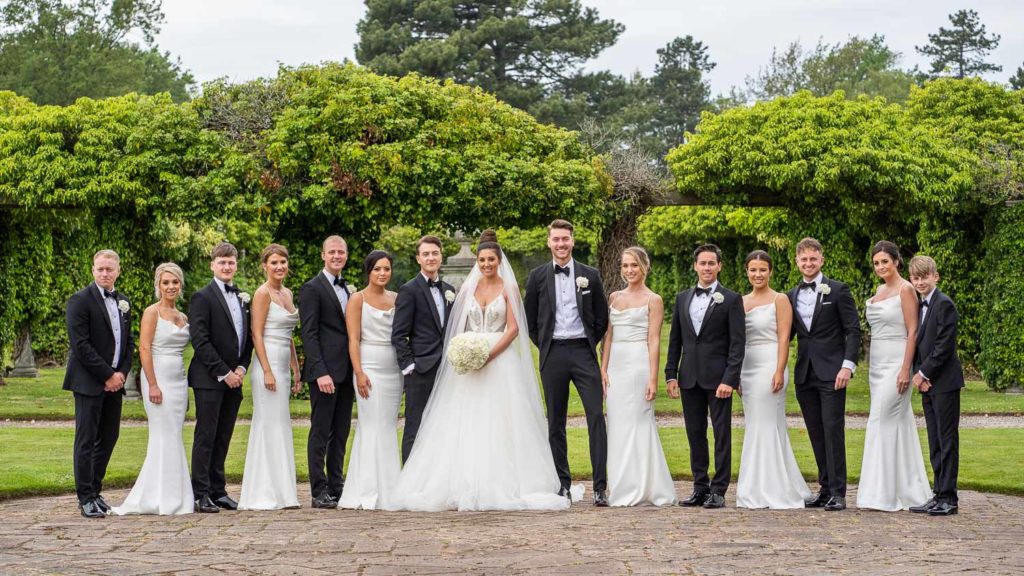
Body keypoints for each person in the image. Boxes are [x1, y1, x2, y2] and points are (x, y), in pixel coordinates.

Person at [387, 231, 569, 511]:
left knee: (502, 422)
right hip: (472, 363)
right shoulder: (466, 290)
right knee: (465, 420)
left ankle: (505, 480)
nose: (486, 264)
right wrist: (466, 353)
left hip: (500, 361)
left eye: (491, 259)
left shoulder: (509, 289)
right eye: (482, 259)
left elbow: (514, 329)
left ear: (499, 260)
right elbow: (458, 327)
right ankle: (462, 480)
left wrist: (488, 354)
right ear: (477, 261)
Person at [524, 219, 610, 506]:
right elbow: (530, 320)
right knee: (555, 422)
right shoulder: (536, 277)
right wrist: (546, 345)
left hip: (584, 352)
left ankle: (600, 487)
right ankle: (563, 484)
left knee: (596, 416)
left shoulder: (590, 275)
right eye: (556, 239)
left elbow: (601, 318)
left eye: (565, 239)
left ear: (573, 241)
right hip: (553, 354)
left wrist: (589, 342)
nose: (561, 244)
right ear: (549, 242)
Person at [665, 244, 745, 509]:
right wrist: (670, 374)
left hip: (718, 379)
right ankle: (700, 487)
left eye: (712, 263)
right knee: (694, 433)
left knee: (721, 433)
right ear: (695, 266)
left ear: (719, 266)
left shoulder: (732, 299)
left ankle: (719, 489)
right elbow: (675, 339)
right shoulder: (682, 298)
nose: (707, 268)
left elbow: (737, 344)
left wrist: (730, 379)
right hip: (689, 377)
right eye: (703, 263)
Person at [112, 263, 193, 516]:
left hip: (179, 381)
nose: (170, 286)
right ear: (158, 285)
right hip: (158, 379)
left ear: (180, 285)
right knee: (163, 435)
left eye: (175, 282)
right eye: (165, 282)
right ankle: (158, 497)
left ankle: (176, 495)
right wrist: (153, 384)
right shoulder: (152, 313)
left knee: (175, 434)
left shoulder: (183, 317)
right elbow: (144, 348)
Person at [857, 241, 931, 511]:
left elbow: (913, 331)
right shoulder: (878, 290)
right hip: (876, 363)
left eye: (885, 262)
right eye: (876, 263)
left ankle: (887, 493)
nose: (880, 267)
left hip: (897, 361)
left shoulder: (906, 289)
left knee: (883, 419)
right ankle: (894, 488)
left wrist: (905, 368)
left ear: (897, 262)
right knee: (887, 422)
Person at [788, 237, 860, 511]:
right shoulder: (791, 295)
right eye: (804, 259)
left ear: (821, 260)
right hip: (804, 373)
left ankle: (839, 492)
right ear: (797, 262)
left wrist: (847, 366)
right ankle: (825, 487)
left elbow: (852, 330)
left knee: (833, 430)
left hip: (833, 373)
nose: (808, 263)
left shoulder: (838, 290)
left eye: (813, 259)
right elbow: (786, 335)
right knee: (816, 432)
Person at [735, 251, 810, 509]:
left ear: (770, 272)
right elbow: (735, 341)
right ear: (747, 272)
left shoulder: (780, 300)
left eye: (762, 270)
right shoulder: (740, 302)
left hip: (770, 364)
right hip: (747, 366)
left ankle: (773, 487)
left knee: (767, 424)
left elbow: (783, 338)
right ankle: (756, 484)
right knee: (755, 424)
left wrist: (779, 370)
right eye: (753, 270)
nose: (758, 274)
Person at [601, 247, 676, 507]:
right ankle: (621, 485)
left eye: (634, 265)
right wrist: (603, 368)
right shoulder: (613, 297)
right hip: (616, 367)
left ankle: (645, 485)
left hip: (638, 364)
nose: (629, 270)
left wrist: (653, 378)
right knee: (618, 424)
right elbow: (608, 336)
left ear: (644, 267)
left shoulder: (653, 299)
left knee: (639, 423)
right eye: (625, 266)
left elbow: (654, 340)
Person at [64, 249, 133, 518]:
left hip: (115, 382)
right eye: (100, 269)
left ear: (118, 271)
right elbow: (81, 345)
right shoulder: (79, 301)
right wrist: (107, 374)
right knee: (86, 439)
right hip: (89, 383)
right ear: (93, 270)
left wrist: (122, 374)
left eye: (110, 269)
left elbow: (127, 343)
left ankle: (96, 489)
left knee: (109, 436)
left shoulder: (123, 302)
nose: (105, 273)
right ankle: (85, 497)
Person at [188, 242, 253, 513]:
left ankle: (218, 490)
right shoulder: (202, 297)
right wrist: (224, 373)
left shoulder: (242, 298)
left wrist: (241, 369)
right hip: (209, 379)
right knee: (206, 435)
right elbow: (200, 341)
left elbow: (247, 338)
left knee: (224, 435)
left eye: (231, 262)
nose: (227, 267)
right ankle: (200, 493)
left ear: (236, 265)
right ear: (212, 265)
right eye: (222, 262)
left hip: (234, 378)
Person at [238, 244, 302, 510]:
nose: (279, 267)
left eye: (283, 262)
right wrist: (266, 370)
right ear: (264, 265)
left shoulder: (287, 292)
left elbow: (288, 337)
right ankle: (264, 491)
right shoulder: (262, 294)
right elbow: (257, 334)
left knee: (281, 424)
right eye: (274, 262)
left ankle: (284, 491)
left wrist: (296, 368)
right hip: (267, 363)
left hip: (283, 364)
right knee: (267, 424)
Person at [339, 251, 402, 510]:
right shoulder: (357, 299)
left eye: (386, 269)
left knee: (387, 426)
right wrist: (359, 372)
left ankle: (390, 489)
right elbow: (353, 339)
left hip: (393, 368)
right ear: (369, 271)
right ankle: (366, 491)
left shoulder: (397, 298)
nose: (382, 273)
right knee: (371, 425)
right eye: (377, 269)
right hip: (369, 366)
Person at [299, 236, 356, 509]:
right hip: (324, 372)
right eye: (332, 252)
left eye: (341, 252)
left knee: (341, 431)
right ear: (323, 255)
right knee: (320, 431)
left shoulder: (349, 288)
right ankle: (318, 490)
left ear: (346, 255)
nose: (336, 256)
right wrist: (320, 371)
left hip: (346, 370)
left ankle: (337, 485)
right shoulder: (312, 288)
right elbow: (309, 334)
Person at [908, 255, 964, 516]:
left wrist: (922, 373)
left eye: (924, 277)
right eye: (916, 278)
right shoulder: (920, 305)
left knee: (947, 439)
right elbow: (920, 343)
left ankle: (949, 498)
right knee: (935, 441)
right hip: (927, 384)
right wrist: (919, 374)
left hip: (944, 383)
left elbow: (943, 346)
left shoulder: (945, 305)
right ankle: (937, 493)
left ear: (935, 276)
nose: (920, 282)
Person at [391, 236, 455, 463]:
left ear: (441, 256)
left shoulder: (450, 290)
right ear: (418, 258)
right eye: (426, 254)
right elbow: (399, 334)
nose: (431, 258)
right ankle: (408, 482)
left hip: (447, 371)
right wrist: (410, 366)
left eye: (434, 253)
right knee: (415, 426)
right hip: (420, 370)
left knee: (443, 425)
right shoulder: (409, 290)